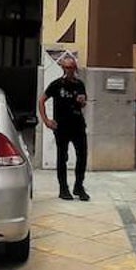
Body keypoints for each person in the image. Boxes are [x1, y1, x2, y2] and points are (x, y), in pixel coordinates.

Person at [38, 53, 89, 201]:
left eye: (71, 68)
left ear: (75, 68)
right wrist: (46, 120)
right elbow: (41, 100)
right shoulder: (56, 84)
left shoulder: (79, 84)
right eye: (66, 67)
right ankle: (63, 188)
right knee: (62, 157)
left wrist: (82, 102)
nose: (69, 70)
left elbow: (83, 102)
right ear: (62, 68)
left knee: (82, 156)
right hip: (62, 127)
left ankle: (79, 186)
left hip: (78, 125)